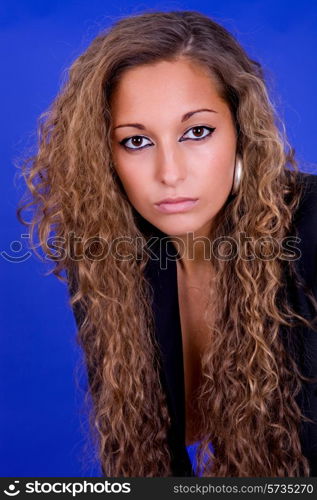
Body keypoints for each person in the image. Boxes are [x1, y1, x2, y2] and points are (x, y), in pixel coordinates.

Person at [16, 9, 317, 477]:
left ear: (242, 132)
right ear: (104, 156)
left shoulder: (311, 232)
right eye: (136, 141)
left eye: (197, 132)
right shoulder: (111, 255)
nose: (170, 174)